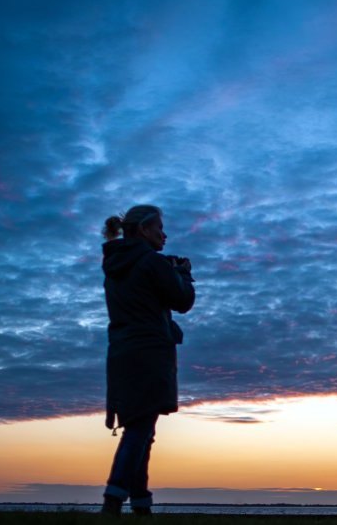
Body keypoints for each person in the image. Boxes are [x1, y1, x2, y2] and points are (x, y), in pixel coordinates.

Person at [100, 204, 195, 516]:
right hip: (150, 352)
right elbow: (182, 301)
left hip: (122, 352)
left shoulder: (115, 267)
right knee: (140, 430)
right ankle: (113, 500)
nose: (164, 235)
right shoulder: (151, 262)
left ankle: (141, 505)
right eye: (159, 228)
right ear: (143, 230)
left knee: (141, 428)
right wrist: (182, 273)